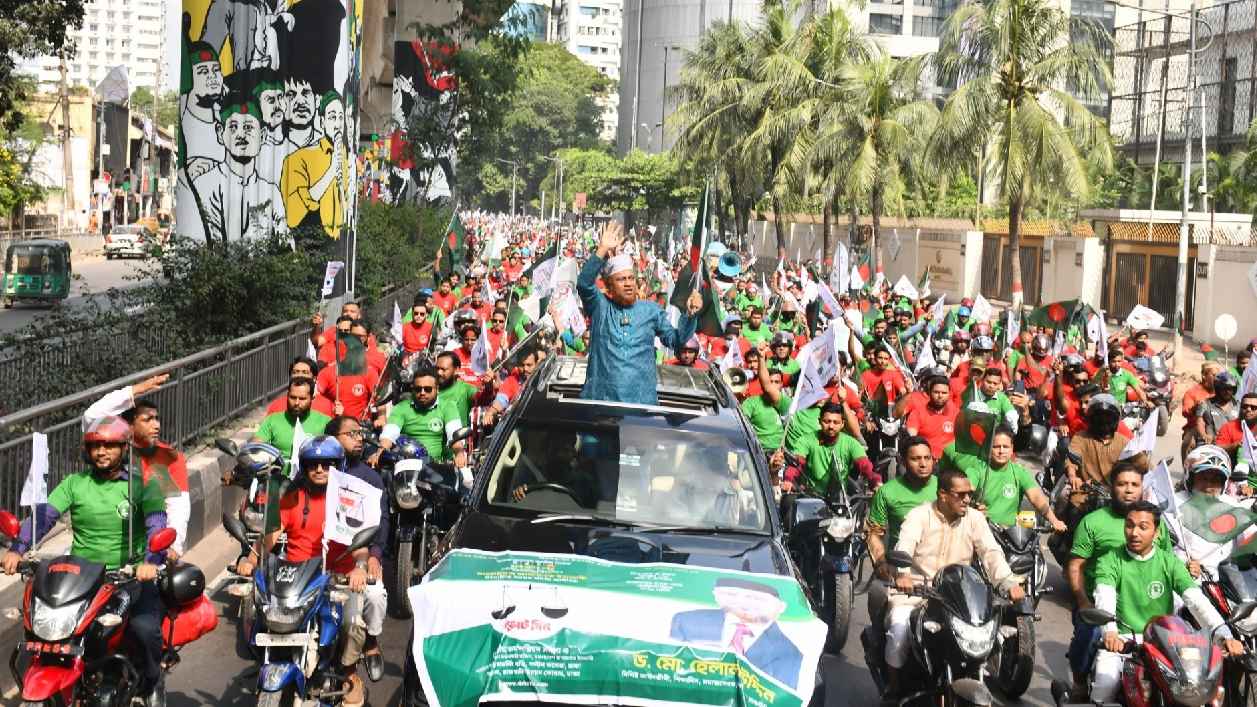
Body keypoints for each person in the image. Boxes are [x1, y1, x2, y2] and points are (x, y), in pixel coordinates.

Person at [3, 418, 169, 704]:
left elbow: (157, 526)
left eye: (109, 445)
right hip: (83, 578)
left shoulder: (142, 487)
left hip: (128, 578)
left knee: (144, 629)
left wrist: (151, 562)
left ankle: (152, 683)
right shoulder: (74, 484)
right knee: (44, 629)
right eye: (95, 446)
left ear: (124, 448)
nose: (101, 452)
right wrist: (18, 549)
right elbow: (43, 518)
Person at [233, 436, 380, 704]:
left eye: (327, 463)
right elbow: (270, 538)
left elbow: (360, 544)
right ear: (304, 466)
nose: (320, 469)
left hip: (338, 579)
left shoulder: (348, 499)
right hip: (297, 577)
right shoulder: (291, 499)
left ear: (339, 465)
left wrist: (359, 567)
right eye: (313, 463)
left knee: (351, 622)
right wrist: (251, 559)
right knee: (257, 609)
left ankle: (349, 672)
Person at [885, 468, 1025, 697]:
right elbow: (905, 545)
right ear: (942, 495)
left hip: (960, 596)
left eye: (969, 494)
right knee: (899, 630)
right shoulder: (919, 516)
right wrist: (903, 574)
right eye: (960, 495)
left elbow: (991, 553)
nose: (967, 500)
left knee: (987, 637)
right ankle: (893, 689)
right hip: (919, 591)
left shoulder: (975, 519)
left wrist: (1009, 583)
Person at [1088, 501, 1242, 702]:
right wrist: (1110, 632)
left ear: (1157, 532)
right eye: (1129, 525)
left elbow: (1196, 601)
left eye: (1143, 527)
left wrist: (1224, 635)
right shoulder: (1109, 560)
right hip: (1125, 642)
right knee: (1105, 684)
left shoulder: (1170, 562)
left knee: (1202, 690)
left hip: (1167, 643)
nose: (1134, 532)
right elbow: (1104, 598)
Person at [1064, 462, 1171, 693]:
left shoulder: (1155, 523)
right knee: (1090, 633)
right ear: (1111, 487)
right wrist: (1084, 603)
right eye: (1122, 484)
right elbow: (1075, 566)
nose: (1129, 489)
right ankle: (1079, 683)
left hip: (1145, 607)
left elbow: (1169, 565)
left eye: (1135, 484)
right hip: (1102, 607)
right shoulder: (1092, 522)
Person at [577, 222, 701, 405]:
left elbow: (677, 340)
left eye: (630, 278)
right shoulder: (600, 307)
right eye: (621, 279)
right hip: (600, 406)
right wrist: (602, 249)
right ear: (610, 286)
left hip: (641, 409)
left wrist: (689, 315)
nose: (628, 284)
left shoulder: (651, 310)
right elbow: (584, 284)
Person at [81, 374, 191, 556]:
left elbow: (177, 505)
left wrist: (173, 546)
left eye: (157, 419)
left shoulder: (166, 458)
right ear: (129, 426)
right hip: (100, 542)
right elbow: (91, 416)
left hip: (148, 543)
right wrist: (135, 390)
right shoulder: (114, 452)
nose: (156, 425)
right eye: (147, 420)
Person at [669, 578, 803, 688]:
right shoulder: (686, 622)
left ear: (780, 607)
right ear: (716, 596)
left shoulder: (789, 653)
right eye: (732, 594)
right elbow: (669, 675)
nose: (744, 603)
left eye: (757, 598)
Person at [945, 426, 1066, 530]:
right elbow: (967, 489)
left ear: (1012, 448)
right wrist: (972, 507)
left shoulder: (1019, 471)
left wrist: (1054, 521)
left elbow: (1036, 498)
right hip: (982, 531)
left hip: (1012, 535)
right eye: (996, 447)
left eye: (1005, 447)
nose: (1001, 451)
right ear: (988, 448)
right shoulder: (978, 468)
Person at [1164, 445, 1252, 578]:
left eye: (1216, 480)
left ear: (1224, 483)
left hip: (1225, 586)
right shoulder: (1172, 504)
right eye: (1204, 478)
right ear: (1190, 477)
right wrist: (1182, 563)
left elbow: (1250, 538)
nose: (1209, 486)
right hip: (1182, 580)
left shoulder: (1233, 506)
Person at [1065, 394, 1145, 509]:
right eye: (1099, 417)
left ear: (1116, 419)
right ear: (1091, 419)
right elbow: (1071, 461)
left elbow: (1143, 466)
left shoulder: (1125, 442)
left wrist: (1142, 459)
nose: (1104, 421)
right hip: (1087, 493)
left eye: (1108, 417)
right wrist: (1073, 477)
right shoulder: (1081, 438)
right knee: (1068, 501)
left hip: (1118, 496)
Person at [380, 365, 465, 463]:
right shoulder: (401, 408)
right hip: (407, 465)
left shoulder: (448, 406)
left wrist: (459, 454)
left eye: (428, 389)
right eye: (418, 389)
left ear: (437, 389)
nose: (422, 393)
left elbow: (454, 434)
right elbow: (389, 434)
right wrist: (381, 451)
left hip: (439, 468)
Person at [790, 402, 878, 493]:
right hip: (812, 498)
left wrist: (875, 482)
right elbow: (796, 464)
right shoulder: (806, 440)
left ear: (842, 424)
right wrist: (788, 480)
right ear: (819, 421)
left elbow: (864, 465)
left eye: (836, 422)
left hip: (841, 500)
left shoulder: (851, 443)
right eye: (827, 421)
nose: (831, 426)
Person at [253, 378, 333, 470]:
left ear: (312, 398)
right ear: (287, 396)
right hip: (278, 478)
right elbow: (256, 446)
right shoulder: (272, 420)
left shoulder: (325, 422)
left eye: (302, 399)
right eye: (293, 397)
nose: (297, 403)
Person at [904, 374, 957, 459]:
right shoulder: (918, 412)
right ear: (929, 393)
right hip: (927, 460)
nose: (940, 396)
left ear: (949, 394)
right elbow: (912, 436)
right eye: (936, 392)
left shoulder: (955, 412)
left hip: (950, 461)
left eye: (944, 393)